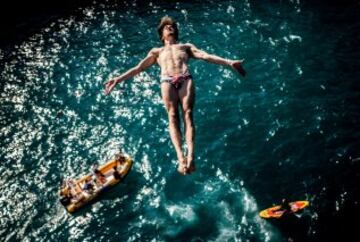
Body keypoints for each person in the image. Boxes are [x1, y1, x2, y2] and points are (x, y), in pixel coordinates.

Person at [104, 16, 246, 175]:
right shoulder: (156, 52)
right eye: (166, 27)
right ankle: (181, 157)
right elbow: (138, 68)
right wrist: (118, 79)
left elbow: (205, 56)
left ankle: (191, 155)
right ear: (162, 34)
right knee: (172, 115)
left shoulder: (185, 47)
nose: (170, 28)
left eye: (172, 27)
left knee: (188, 114)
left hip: (185, 78)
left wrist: (229, 62)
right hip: (167, 80)